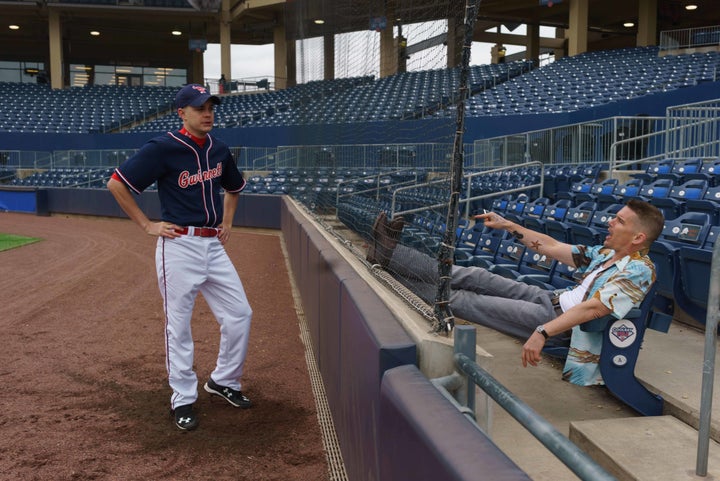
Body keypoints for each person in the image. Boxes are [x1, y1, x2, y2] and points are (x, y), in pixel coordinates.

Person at [367, 198, 664, 386]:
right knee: (476, 275)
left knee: (467, 301)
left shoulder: (639, 269)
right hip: (551, 299)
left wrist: (543, 332)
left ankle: (390, 272)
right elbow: (550, 246)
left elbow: (594, 309)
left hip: (560, 322)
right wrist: (508, 225)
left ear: (638, 237)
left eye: (620, 221)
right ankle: (389, 255)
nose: (610, 221)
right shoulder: (603, 253)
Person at [107, 83, 253, 431]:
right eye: (200, 107)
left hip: (212, 246)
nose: (208, 113)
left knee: (240, 315)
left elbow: (234, 188)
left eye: (211, 107)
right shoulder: (163, 148)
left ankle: (223, 381)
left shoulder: (219, 148)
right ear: (182, 113)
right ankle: (183, 398)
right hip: (179, 246)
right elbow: (116, 183)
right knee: (179, 326)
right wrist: (146, 225)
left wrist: (227, 221)